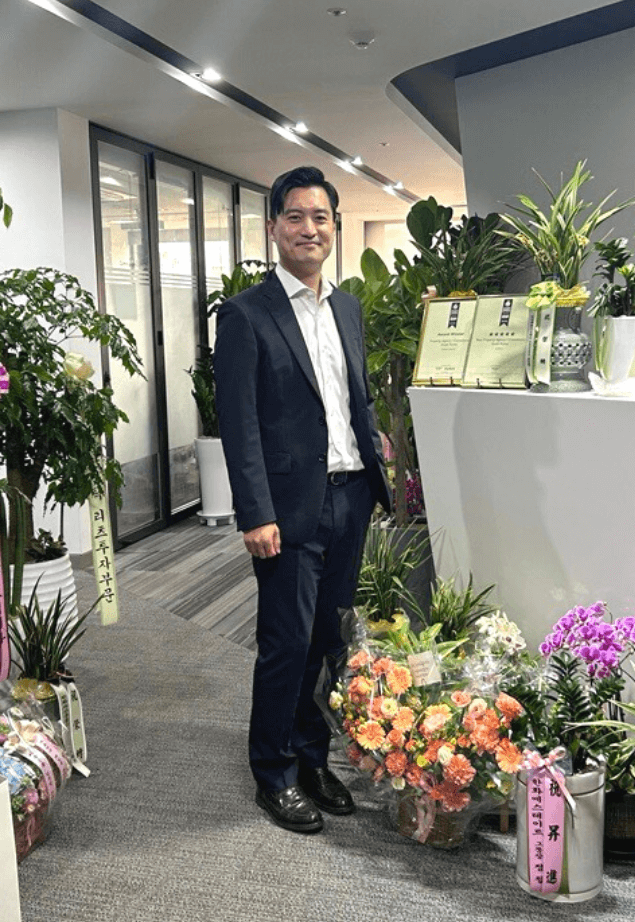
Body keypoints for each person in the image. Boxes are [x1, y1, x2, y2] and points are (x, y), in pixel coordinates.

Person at [213, 165, 391, 834]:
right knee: (286, 642)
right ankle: (274, 772)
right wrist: (253, 511)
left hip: (348, 500)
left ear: (333, 227)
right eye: (295, 217)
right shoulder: (245, 314)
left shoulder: (346, 306)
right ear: (274, 228)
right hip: (286, 513)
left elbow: (357, 399)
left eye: (320, 217)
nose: (308, 228)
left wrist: (377, 471)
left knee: (326, 644)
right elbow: (240, 420)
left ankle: (313, 758)